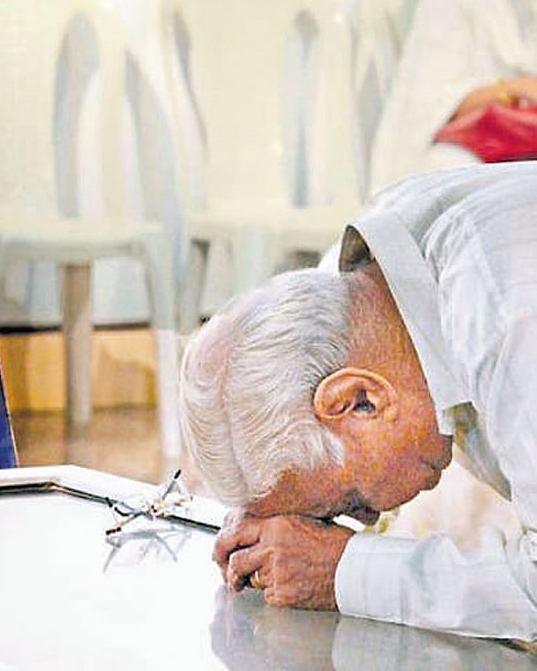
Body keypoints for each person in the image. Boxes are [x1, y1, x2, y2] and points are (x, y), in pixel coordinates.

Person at [179, 160, 537, 638]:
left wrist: (341, 572)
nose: (367, 518)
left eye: (351, 500)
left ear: (360, 400)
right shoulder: (367, 293)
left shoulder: (507, 314)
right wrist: (270, 504)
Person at [369, 0, 537, 195]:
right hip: (475, 150)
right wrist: (512, 90)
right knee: (450, 170)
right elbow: (430, 104)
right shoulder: (449, 3)